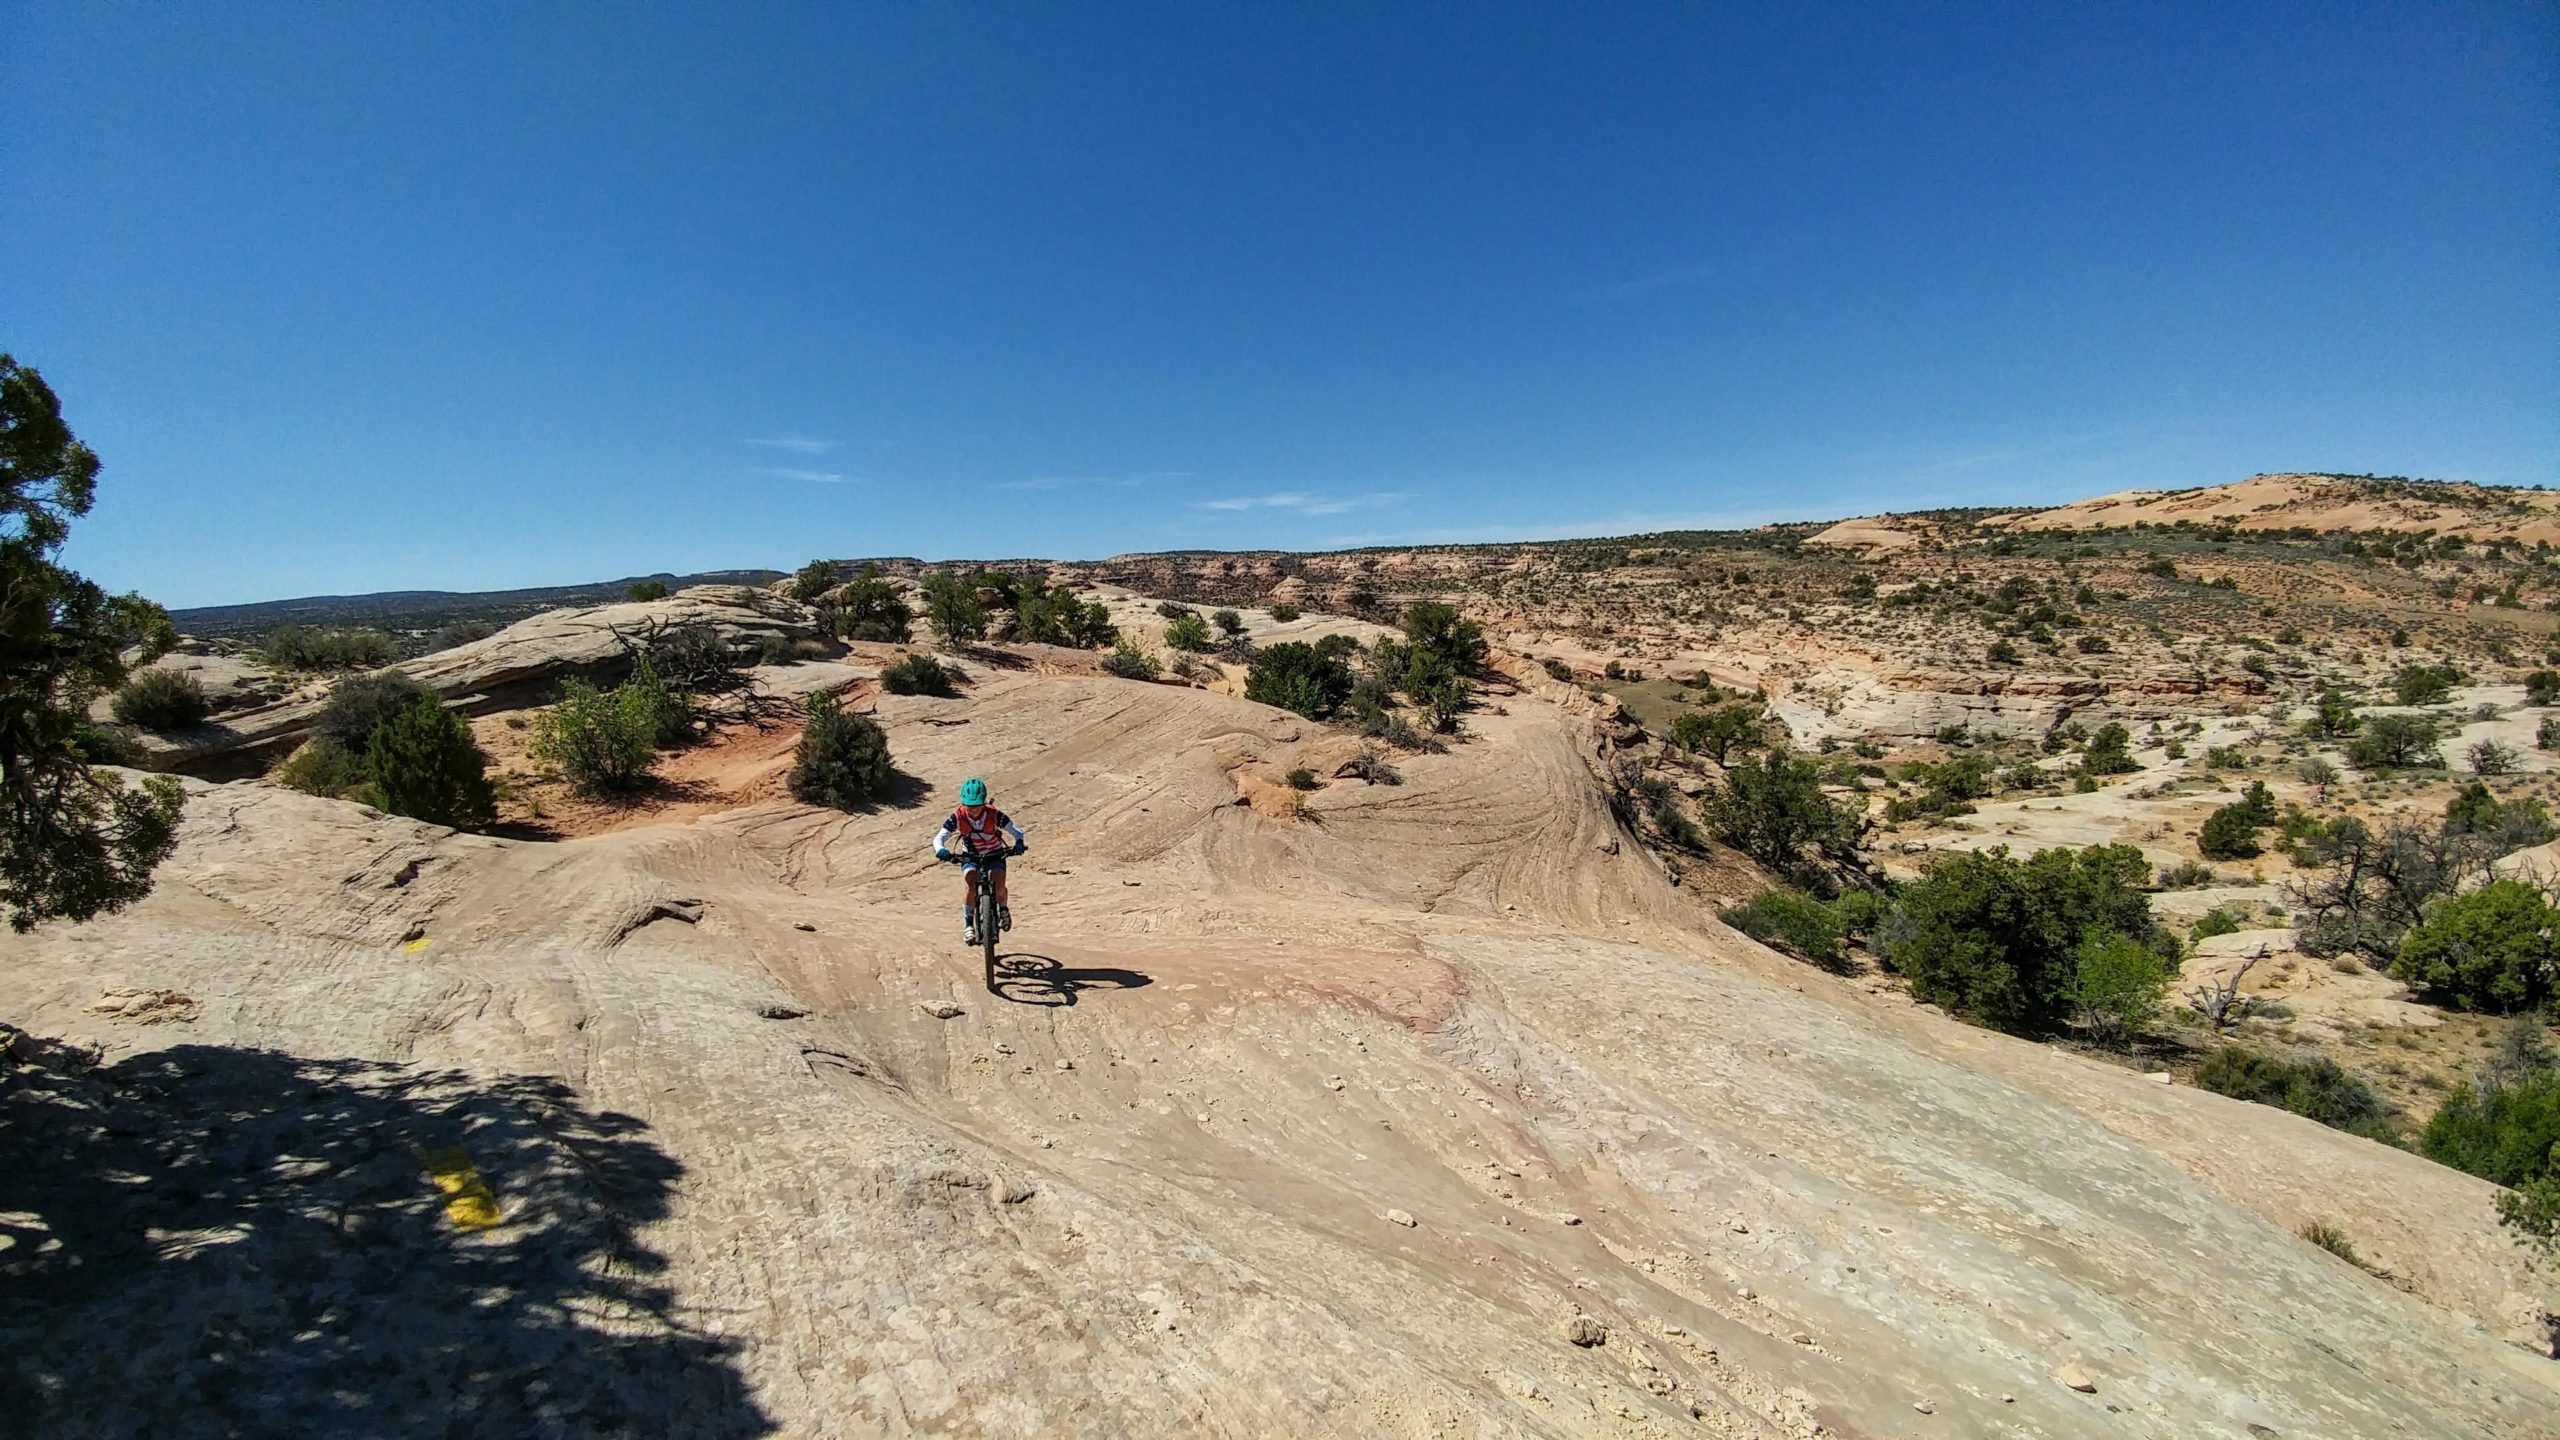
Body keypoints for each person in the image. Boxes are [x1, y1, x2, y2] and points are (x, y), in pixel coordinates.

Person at [932, 776, 1025, 945]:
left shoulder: (995, 815)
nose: (974, 810)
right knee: (970, 884)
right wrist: (941, 850)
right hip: (971, 856)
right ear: (963, 803)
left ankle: (1003, 908)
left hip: (994, 853)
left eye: (977, 805)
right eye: (970, 806)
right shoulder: (957, 817)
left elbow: (1017, 831)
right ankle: (968, 925)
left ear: (984, 802)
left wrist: (1019, 843)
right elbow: (939, 838)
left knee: (999, 883)